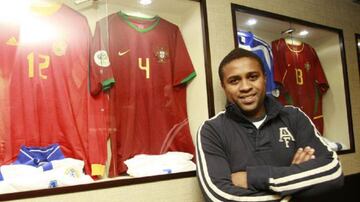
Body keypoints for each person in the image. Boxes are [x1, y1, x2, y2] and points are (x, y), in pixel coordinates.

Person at [196, 48, 344, 201]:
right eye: (234, 81)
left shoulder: (294, 116)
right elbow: (219, 197)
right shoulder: (211, 130)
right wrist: (294, 181)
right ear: (224, 86)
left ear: (265, 78)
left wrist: (252, 178)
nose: (245, 87)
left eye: (253, 77)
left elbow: (333, 171)